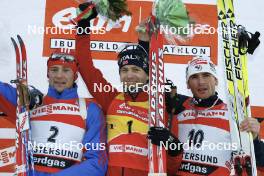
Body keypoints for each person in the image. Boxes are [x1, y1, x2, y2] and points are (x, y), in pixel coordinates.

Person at [75, 3, 182, 176]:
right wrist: (83, 26)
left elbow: (171, 167)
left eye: (136, 70)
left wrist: (173, 147)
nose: (129, 75)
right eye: (124, 70)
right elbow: (85, 66)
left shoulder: (161, 106)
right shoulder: (110, 98)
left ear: (148, 75)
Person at [149, 56, 263, 175]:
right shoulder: (176, 108)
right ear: (187, 84)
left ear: (216, 80)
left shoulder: (232, 115)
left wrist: (255, 139)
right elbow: (145, 81)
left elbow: (256, 165)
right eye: (194, 77)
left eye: (206, 75)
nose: (201, 82)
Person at [0, 48, 107, 175]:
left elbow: (97, 162)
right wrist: (24, 93)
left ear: (75, 76)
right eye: (54, 70)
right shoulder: (31, 103)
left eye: (66, 70)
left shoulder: (89, 109)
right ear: (47, 74)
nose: (59, 75)